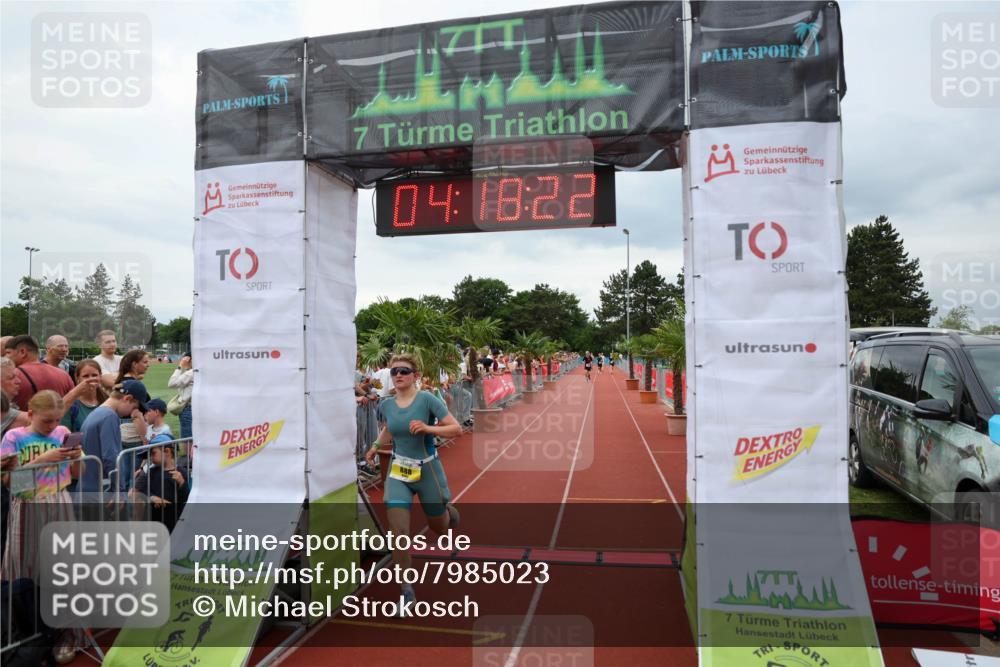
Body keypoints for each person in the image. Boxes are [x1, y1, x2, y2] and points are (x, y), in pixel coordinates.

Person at [363, 354, 462, 612]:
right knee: (399, 534)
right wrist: (375, 446)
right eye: (394, 371)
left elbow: (455, 428)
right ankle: (406, 591)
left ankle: (447, 514)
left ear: (415, 376)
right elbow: (388, 429)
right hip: (398, 472)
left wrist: (429, 429)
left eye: (404, 371)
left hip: (427, 469)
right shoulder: (385, 404)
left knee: (438, 527)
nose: (398, 375)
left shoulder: (427, 399)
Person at [1, 390, 84, 664]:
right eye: (47, 421)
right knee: (23, 567)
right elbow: (11, 484)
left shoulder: (62, 432)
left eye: (56, 420)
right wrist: (42, 461)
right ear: (31, 413)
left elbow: (78, 474)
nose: (52, 426)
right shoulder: (14, 437)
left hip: (59, 502)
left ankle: (66, 633)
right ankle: (27, 632)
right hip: (26, 506)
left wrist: (74, 458)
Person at [78, 379, 150, 493]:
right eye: (134, 408)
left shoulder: (97, 413)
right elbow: (111, 457)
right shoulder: (109, 416)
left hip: (88, 485)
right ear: (128, 398)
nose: (131, 414)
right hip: (101, 489)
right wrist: (118, 490)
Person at [133, 436, 188, 531]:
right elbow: (140, 490)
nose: (150, 457)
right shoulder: (151, 472)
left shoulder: (181, 473)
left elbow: (185, 498)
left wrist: (182, 483)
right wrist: (152, 497)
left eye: (153, 453)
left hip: (173, 522)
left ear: (167, 451)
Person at [7, 335, 75, 409]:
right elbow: (73, 405)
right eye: (60, 346)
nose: (64, 349)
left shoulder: (12, 375)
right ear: (48, 349)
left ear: (23, 352)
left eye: (8, 353)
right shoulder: (64, 375)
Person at [60, 360, 108, 432]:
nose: (91, 379)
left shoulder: (107, 401)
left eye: (94, 375)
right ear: (78, 378)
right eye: (86, 376)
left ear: (100, 376)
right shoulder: (71, 405)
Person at [168, 354, 194, 440]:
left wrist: (180, 366)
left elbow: (172, 383)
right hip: (198, 408)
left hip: (189, 409)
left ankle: (189, 454)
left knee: (187, 440)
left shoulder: (191, 373)